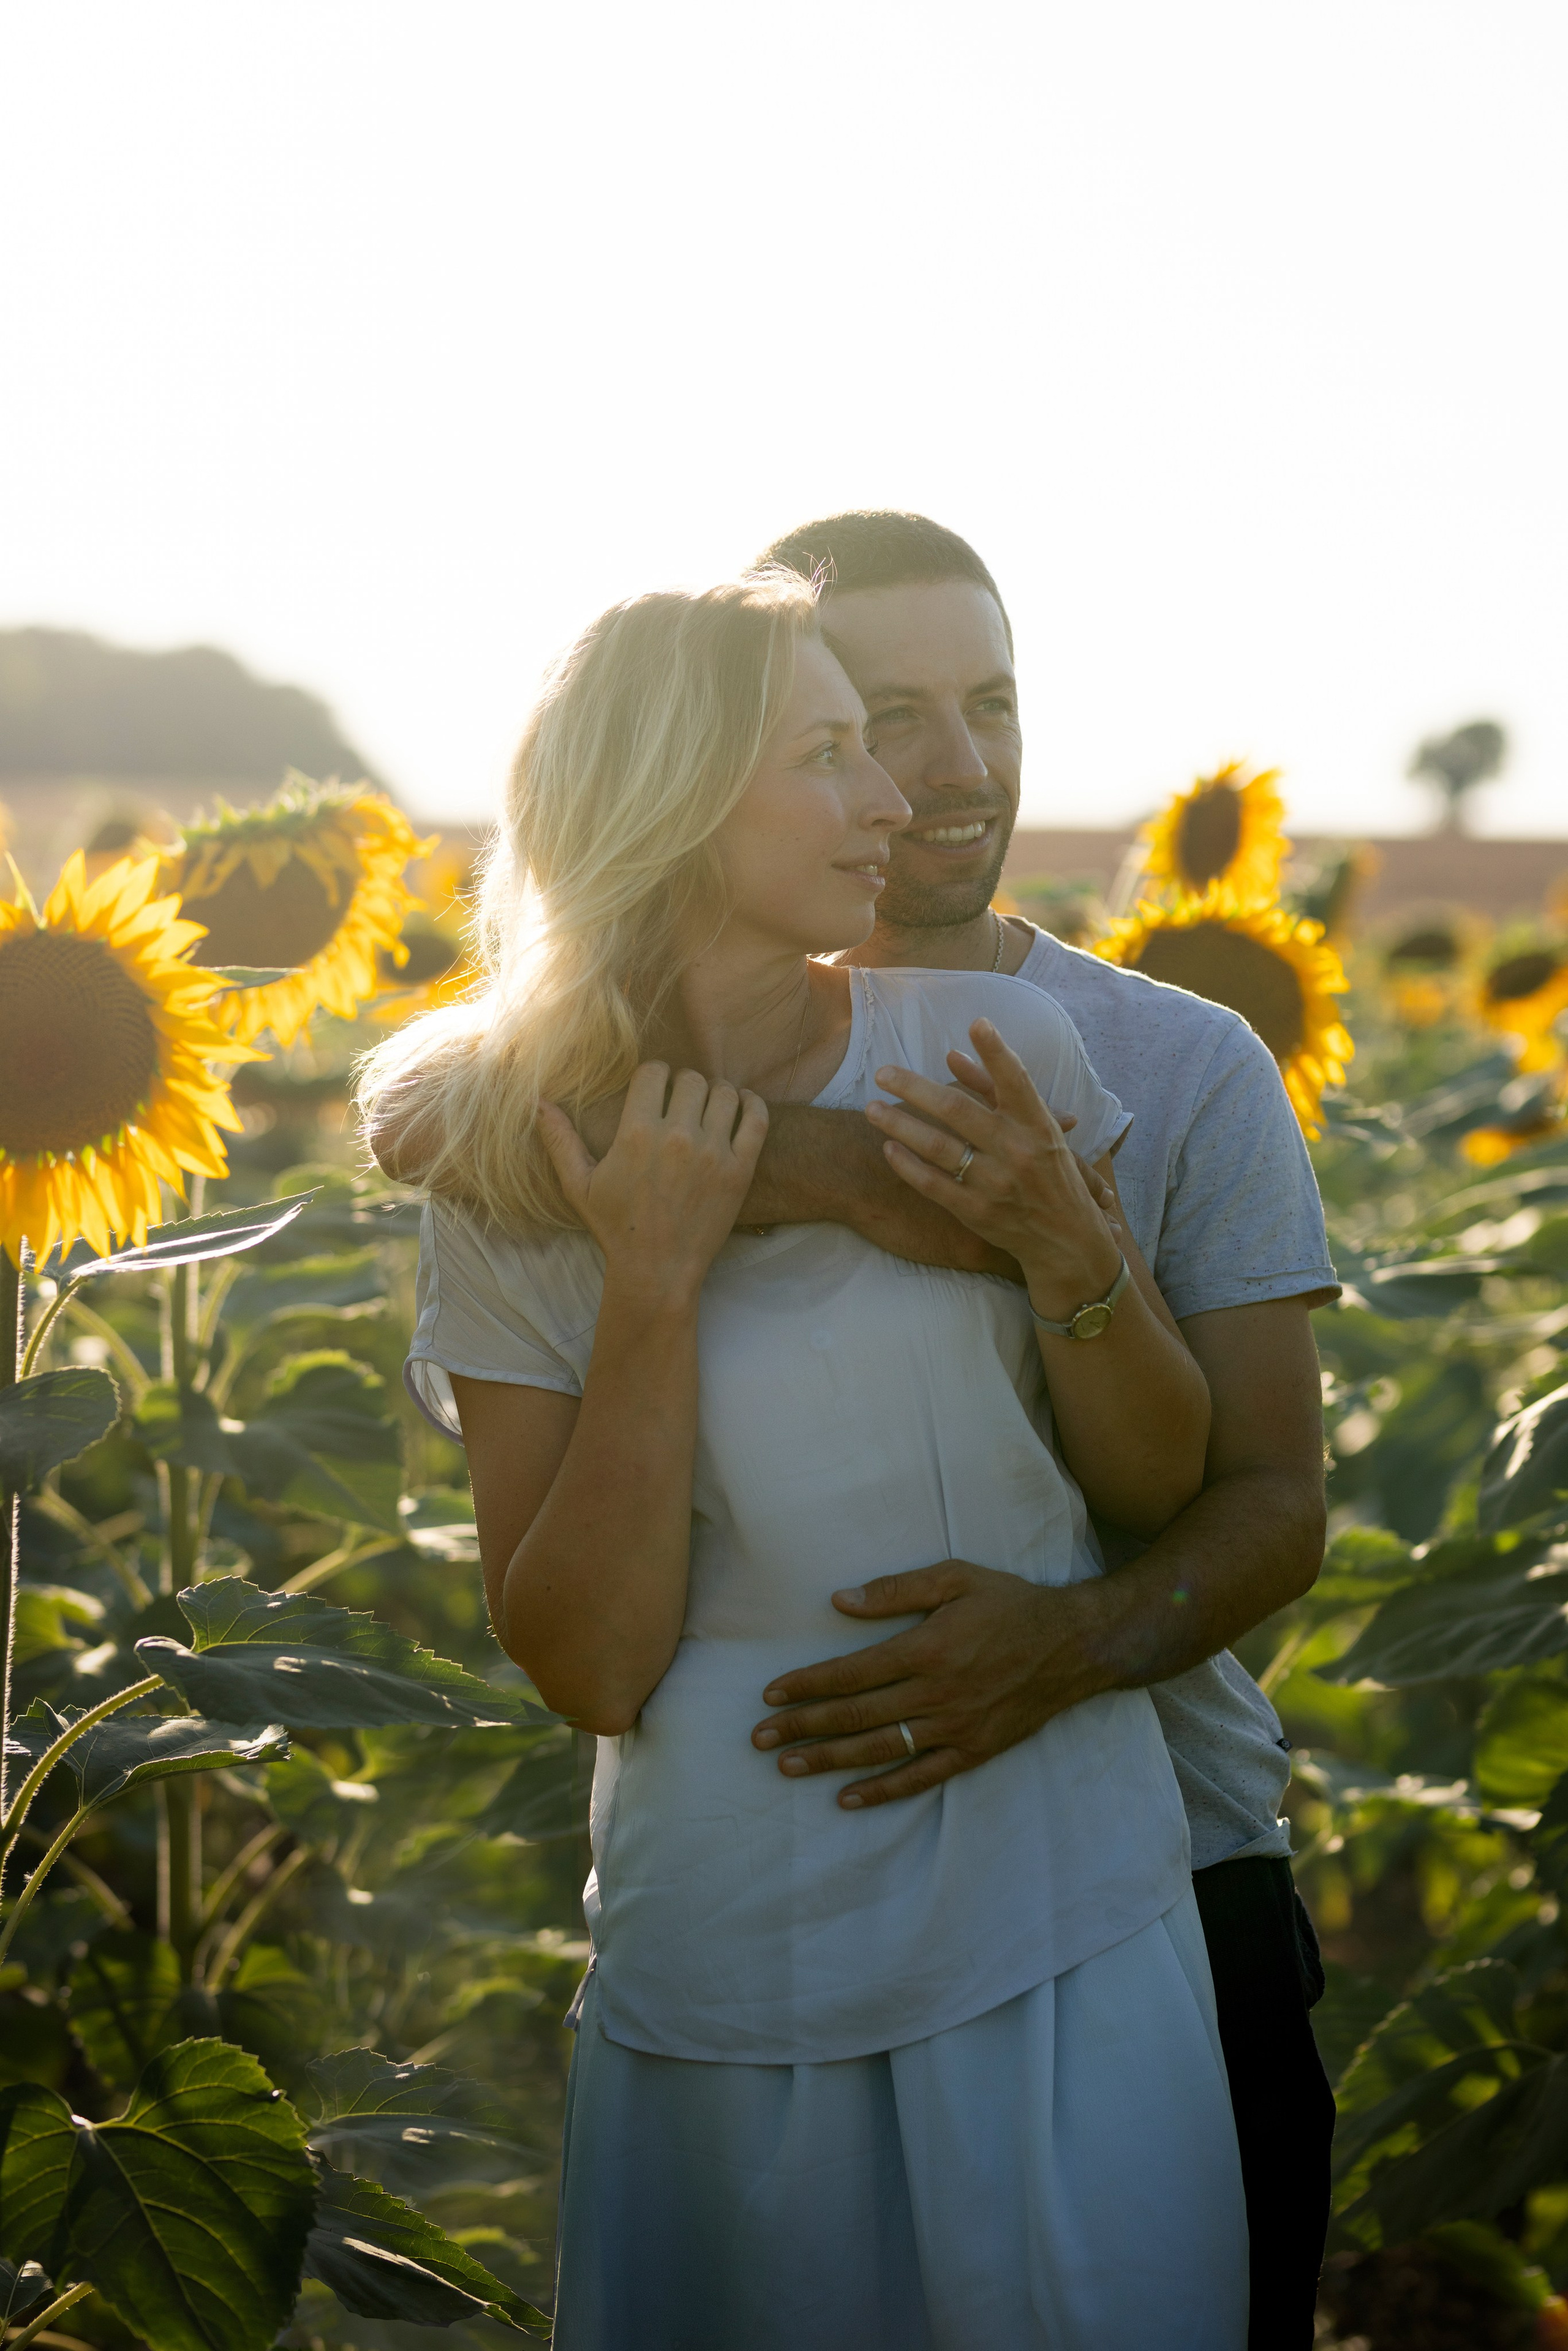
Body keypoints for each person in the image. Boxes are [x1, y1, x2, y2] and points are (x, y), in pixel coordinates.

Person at [361, 572, 1248, 2349]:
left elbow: (1161, 1488)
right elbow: (591, 1660)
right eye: (832, 754)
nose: (894, 803)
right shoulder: (517, 1149)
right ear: (679, 797)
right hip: (733, 1934)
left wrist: (1070, 1251)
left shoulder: (996, 1055)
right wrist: (656, 1287)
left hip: (1059, 1894)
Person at [718, 508, 1335, 2349]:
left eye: (992, 700)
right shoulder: (670, 1059)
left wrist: (1061, 1651)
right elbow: (437, 1099)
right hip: (805, 1880)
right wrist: (813, 1157)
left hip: (1178, 1863)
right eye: (886, 714)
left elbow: (1279, 1502)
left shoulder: (1176, 1061)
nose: (962, 765)